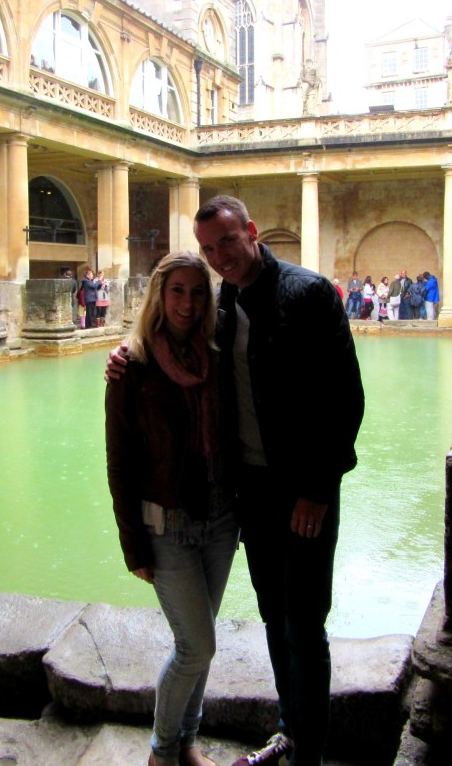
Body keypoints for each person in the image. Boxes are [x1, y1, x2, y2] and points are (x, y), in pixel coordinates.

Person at [109, 195, 364, 766]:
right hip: (250, 493)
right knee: (276, 618)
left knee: (304, 624)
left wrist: (318, 490)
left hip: (303, 493)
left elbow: (344, 402)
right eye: (207, 249)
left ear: (251, 231)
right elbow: (171, 362)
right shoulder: (220, 306)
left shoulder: (309, 293)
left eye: (227, 241)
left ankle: (307, 756)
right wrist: (125, 357)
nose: (218, 256)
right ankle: (289, 732)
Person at [105, 251, 237, 766]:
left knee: (199, 641)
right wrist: (131, 541)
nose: (186, 302)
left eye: (197, 291)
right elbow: (120, 462)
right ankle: (162, 751)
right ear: (159, 295)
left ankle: (187, 742)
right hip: (166, 526)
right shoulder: (131, 364)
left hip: (221, 520)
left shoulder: (217, 355)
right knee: (196, 647)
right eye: (177, 290)